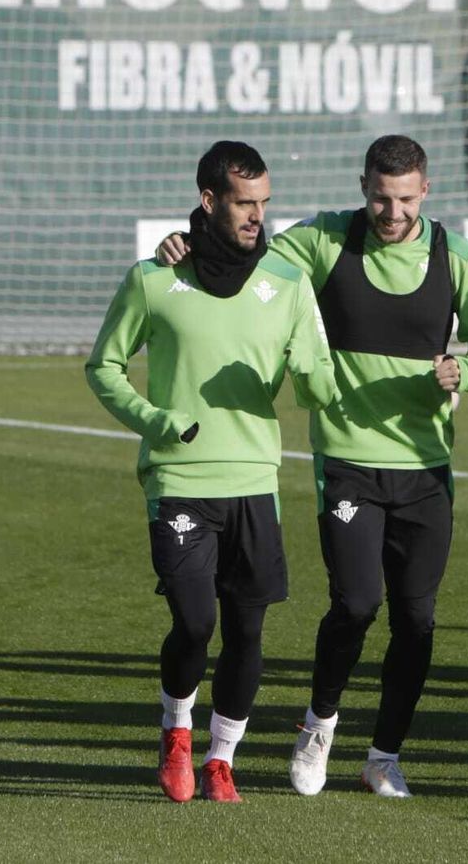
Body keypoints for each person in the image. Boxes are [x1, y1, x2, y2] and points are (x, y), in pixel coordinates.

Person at [158, 135, 468, 798]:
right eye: (381, 195)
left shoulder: (453, 254)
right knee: (355, 603)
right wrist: (184, 241)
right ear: (363, 186)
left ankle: (384, 755)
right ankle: (318, 724)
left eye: (406, 198)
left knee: (417, 619)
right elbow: (245, 252)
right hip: (347, 459)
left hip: (426, 465)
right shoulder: (322, 242)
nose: (392, 210)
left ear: (425, 192)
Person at [85, 141, 338, 804]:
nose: (258, 216)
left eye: (264, 203)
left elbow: (317, 385)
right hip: (180, 480)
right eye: (244, 203)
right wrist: (159, 420)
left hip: (254, 481)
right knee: (195, 621)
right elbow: (103, 367)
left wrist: (314, 378)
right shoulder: (155, 278)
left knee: (248, 629)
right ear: (209, 201)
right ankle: (175, 733)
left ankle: (221, 759)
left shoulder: (284, 284)